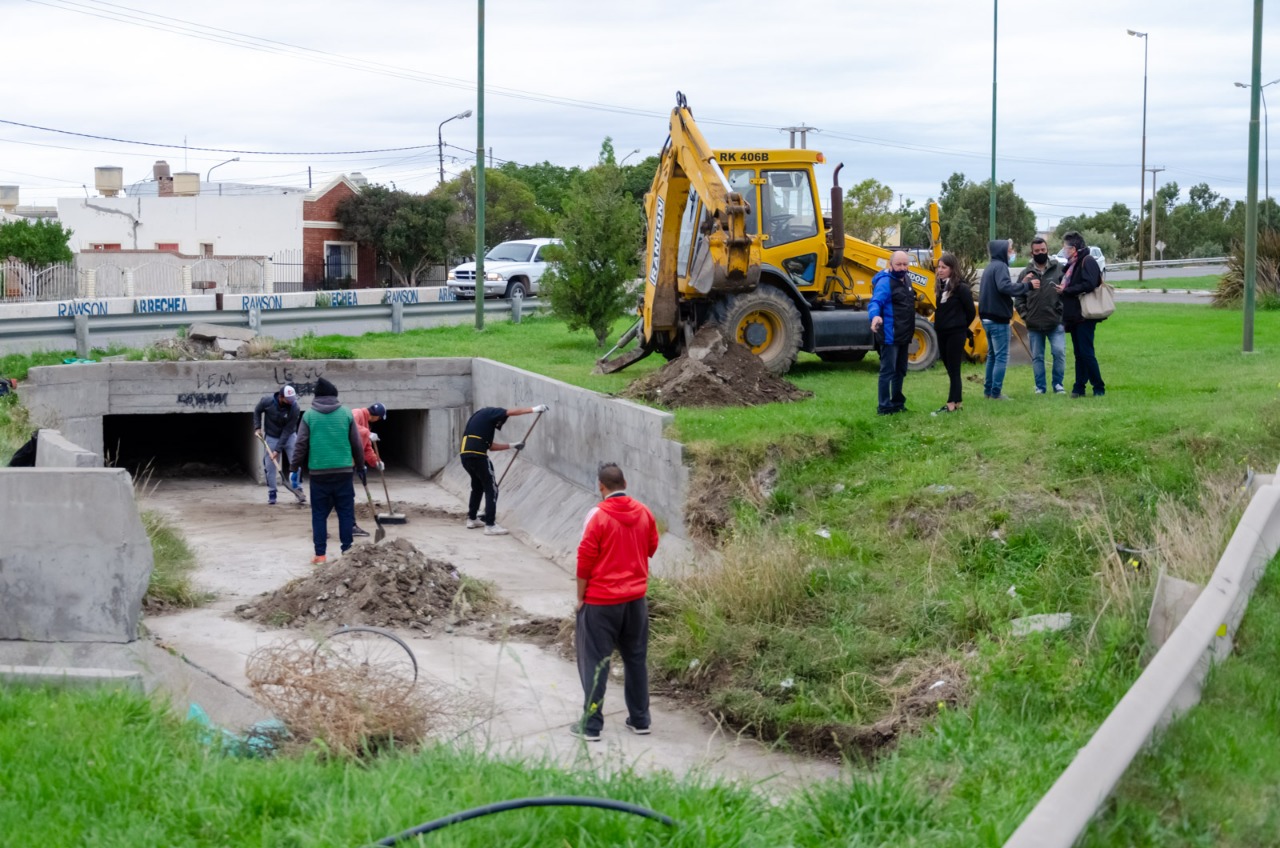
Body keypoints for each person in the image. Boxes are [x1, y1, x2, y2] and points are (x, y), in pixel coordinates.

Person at [571, 462, 659, 742]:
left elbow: (585, 560)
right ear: (625, 483)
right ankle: (640, 719)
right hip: (635, 601)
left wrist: (580, 598)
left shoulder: (597, 516)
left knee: (596, 662)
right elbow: (651, 547)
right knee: (635, 659)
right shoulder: (644, 512)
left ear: (601, 486)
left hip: (601, 602)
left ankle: (592, 725)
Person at [291, 377, 365, 565]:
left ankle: (320, 555)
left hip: (319, 474)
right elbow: (356, 443)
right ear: (334, 396)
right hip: (344, 472)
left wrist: (294, 467)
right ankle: (347, 551)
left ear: (316, 397)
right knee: (346, 512)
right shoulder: (346, 414)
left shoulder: (309, 416)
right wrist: (361, 466)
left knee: (319, 514)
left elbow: (300, 444)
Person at [459, 403, 548, 536]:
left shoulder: (479, 422)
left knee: (477, 486)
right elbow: (511, 412)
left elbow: (491, 446)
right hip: (478, 456)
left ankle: (472, 519)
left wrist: (513, 445)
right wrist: (534, 410)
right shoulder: (490, 412)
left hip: (465, 456)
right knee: (491, 488)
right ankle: (490, 525)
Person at [978, 239, 1031, 400]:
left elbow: (1001, 286)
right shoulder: (1001, 266)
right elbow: (1004, 287)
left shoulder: (990, 267)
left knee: (993, 356)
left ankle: (988, 391)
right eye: (1010, 249)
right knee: (1001, 356)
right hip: (998, 320)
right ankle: (996, 393)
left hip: (986, 319)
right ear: (1002, 251)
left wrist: (1021, 284)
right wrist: (1027, 287)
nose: (1012, 252)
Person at [1057, 231, 1106, 397]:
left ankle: (1098, 387)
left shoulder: (1088, 261)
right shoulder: (1073, 264)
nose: (1064, 250)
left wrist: (1067, 290)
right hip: (1074, 315)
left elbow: (1090, 283)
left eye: (1065, 247)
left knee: (1086, 352)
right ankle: (1079, 387)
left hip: (1085, 314)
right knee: (1079, 353)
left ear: (1074, 248)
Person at [868, 250, 917, 415]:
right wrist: (875, 317)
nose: (902, 267)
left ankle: (897, 403)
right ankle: (884, 406)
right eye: (899, 264)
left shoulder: (907, 279)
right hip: (890, 336)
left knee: (901, 370)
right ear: (891, 265)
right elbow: (875, 302)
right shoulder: (885, 283)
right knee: (887, 371)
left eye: (905, 264)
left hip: (904, 335)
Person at [1015, 237, 1066, 395]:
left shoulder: (1059, 269)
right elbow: (1018, 297)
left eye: (1043, 250)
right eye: (1037, 251)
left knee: (1059, 353)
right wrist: (1026, 315)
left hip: (1055, 322)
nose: (1040, 253)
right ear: (1032, 253)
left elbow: (1067, 292)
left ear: (1047, 250)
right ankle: (1040, 387)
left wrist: (1061, 311)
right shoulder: (1026, 273)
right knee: (1037, 357)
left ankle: (1058, 384)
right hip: (1034, 323)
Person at [931, 252, 976, 415]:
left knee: (954, 368)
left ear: (952, 269)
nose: (940, 270)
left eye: (944, 267)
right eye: (939, 267)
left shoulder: (961, 288)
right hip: (942, 332)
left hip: (956, 333)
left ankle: (951, 404)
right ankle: (957, 402)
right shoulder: (940, 286)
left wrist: (961, 326)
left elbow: (970, 311)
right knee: (949, 367)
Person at [254, 384, 301, 505]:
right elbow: (257, 410)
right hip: (272, 436)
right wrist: (257, 427)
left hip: (289, 435)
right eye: (289, 399)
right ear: (281, 397)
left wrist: (277, 450)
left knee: (296, 462)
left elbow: (287, 431)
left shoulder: (295, 407)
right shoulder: (267, 401)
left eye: (292, 399)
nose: (291, 402)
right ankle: (272, 492)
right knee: (270, 467)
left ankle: (298, 489)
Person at [349, 402, 387, 538]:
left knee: (344, 495)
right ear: (376, 416)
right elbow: (349, 426)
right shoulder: (357, 413)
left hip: (351, 463)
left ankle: (350, 525)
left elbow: (366, 448)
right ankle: (350, 526)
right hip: (342, 462)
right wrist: (368, 433)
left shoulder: (365, 423)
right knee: (346, 495)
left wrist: (376, 461)